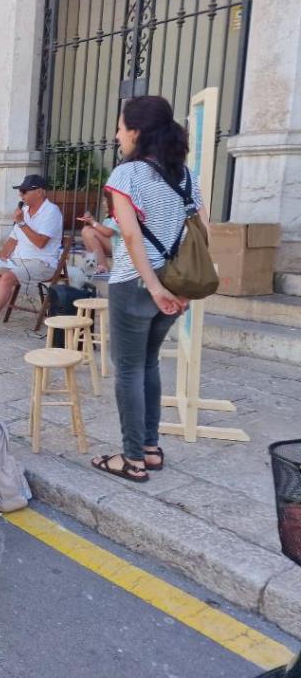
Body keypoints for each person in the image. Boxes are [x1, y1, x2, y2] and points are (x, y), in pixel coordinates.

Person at [92, 95, 204, 484]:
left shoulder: (128, 174)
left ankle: (133, 457)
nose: (117, 134)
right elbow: (202, 233)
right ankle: (152, 447)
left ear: (137, 132)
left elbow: (129, 235)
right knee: (150, 364)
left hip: (135, 283)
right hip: (176, 283)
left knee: (128, 370)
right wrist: (181, 290)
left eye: (121, 127)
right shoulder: (186, 175)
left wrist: (153, 287)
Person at [0, 174, 63, 333]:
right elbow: (13, 240)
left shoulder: (52, 212)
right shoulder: (24, 210)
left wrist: (22, 223)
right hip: (18, 261)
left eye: (24, 191)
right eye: (20, 191)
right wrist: (2, 257)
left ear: (40, 192)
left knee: (7, 278)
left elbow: (41, 242)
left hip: (42, 262)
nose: (20, 195)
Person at [78, 193, 121, 274]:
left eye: (105, 201)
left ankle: (104, 266)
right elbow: (102, 230)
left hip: (118, 247)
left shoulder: (119, 212)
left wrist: (92, 222)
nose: (103, 203)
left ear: (111, 201)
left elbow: (108, 232)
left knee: (89, 232)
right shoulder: (109, 214)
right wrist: (90, 220)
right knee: (85, 230)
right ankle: (95, 264)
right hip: (110, 244)